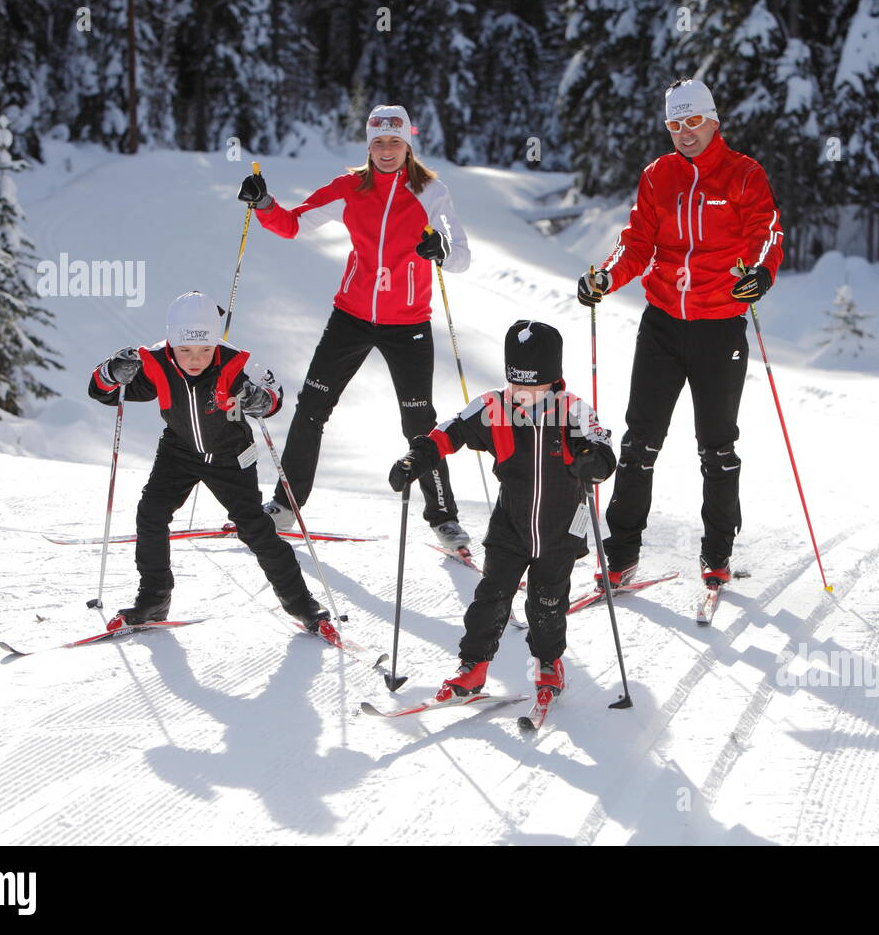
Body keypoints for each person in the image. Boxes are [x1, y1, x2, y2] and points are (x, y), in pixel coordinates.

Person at [576, 79, 784, 590]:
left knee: (716, 446)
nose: (685, 133)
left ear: (714, 120)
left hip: (719, 327)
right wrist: (605, 276)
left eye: (693, 121)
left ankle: (716, 554)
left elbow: (768, 233)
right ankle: (621, 554)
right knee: (639, 443)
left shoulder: (743, 174)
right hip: (663, 324)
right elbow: (636, 245)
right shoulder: (658, 176)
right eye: (675, 124)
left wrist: (761, 272)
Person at [236, 104, 473, 550]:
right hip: (351, 316)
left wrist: (439, 249)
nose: (386, 150)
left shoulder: (431, 192)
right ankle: (286, 505)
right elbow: (291, 225)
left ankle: (443, 518)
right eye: (378, 142)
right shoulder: (349, 187)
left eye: (395, 142)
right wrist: (263, 203)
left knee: (419, 421)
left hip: (408, 323)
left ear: (408, 144)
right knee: (312, 406)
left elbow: (461, 256)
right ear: (368, 145)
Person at [387, 321, 615, 702]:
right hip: (511, 523)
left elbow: (602, 446)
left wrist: (595, 462)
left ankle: (547, 662)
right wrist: (418, 457)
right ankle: (472, 667)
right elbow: (450, 431)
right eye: (516, 385)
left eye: (532, 386)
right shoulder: (493, 406)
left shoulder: (573, 410)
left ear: (553, 379)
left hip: (560, 530)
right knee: (491, 596)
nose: (522, 394)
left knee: (547, 602)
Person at [88, 291, 336, 640]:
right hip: (179, 451)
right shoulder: (157, 362)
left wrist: (259, 400)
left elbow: (273, 398)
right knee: (152, 512)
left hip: (230, 455)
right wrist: (112, 371)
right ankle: (154, 599)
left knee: (255, 529)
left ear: (216, 343)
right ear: (172, 341)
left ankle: (302, 605)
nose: (195, 359)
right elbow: (107, 392)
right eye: (185, 350)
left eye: (205, 349)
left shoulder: (235, 364)